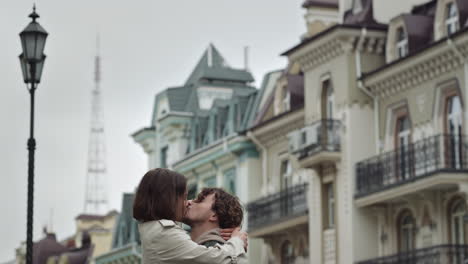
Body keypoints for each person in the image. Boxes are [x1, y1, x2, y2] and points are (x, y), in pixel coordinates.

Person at [133, 168, 248, 264]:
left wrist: (236, 242)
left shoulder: (212, 245)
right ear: (167, 198)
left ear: (214, 215)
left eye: (200, 200)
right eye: (183, 197)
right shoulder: (165, 233)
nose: (188, 202)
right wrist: (237, 241)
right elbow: (212, 258)